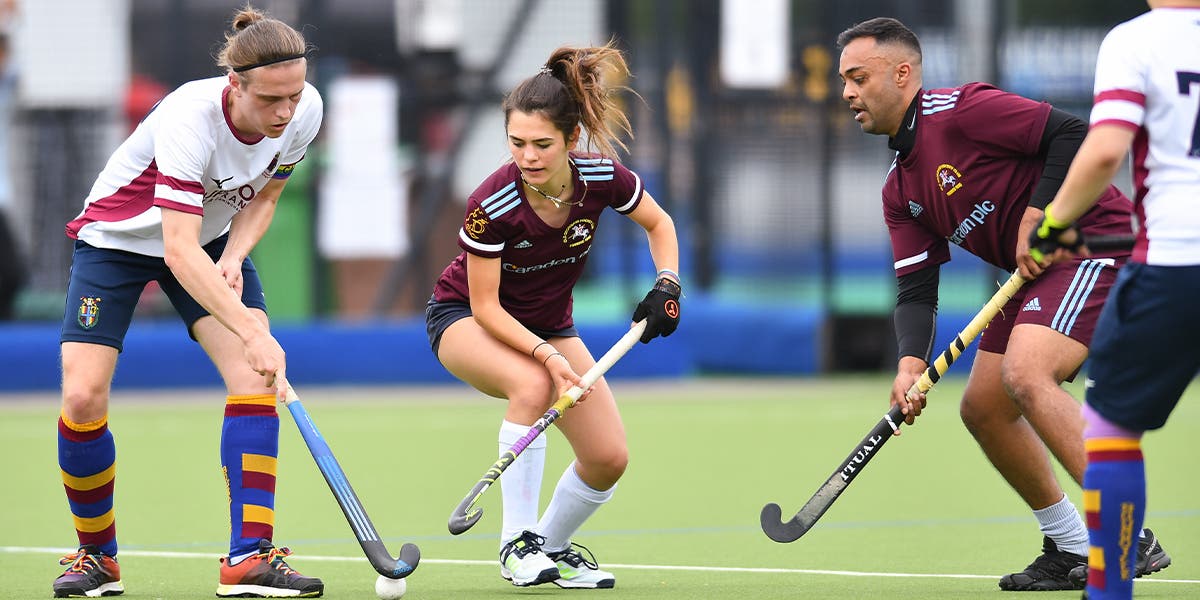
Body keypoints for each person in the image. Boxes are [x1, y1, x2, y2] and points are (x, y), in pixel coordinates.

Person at [835, 17, 1171, 592]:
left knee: (1026, 373)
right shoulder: (899, 190)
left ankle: (1126, 530)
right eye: (844, 81)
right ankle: (1068, 541)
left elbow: (1073, 133)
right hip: (1027, 275)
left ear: (902, 73)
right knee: (984, 409)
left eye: (858, 78)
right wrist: (910, 364)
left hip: (1088, 241)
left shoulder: (962, 110)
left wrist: (1039, 214)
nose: (847, 93)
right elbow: (916, 287)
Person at [53, 6, 324, 598]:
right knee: (82, 394)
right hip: (119, 243)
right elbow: (176, 249)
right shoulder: (188, 117)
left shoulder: (306, 110)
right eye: (270, 100)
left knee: (252, 381)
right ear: (235, 85)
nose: (285, 112)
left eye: (294, 95)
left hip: (210, 241)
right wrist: (253, 331)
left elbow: (265, 198)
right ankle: (97, 557)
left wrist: (235, 256)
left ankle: (248, 558)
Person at [426, 42, 680, 590]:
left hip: (548, 325)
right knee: (533, 384)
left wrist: (668, 283)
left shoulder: (602, 178)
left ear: (571, 139)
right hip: (464, 319)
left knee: (607, 457)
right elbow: (485, 307)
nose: (528, 157)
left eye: (542, 144)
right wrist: (546, 355)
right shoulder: (492, 203)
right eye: (516, 142)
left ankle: (553, 546)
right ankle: (515, 546)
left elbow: (660, 224)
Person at [1020, 2, 1200, 598]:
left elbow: (1103, 151)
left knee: (1111, 431)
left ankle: (1110, 590)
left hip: (1175, 264)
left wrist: (1052, 224)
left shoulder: (1136, 40)